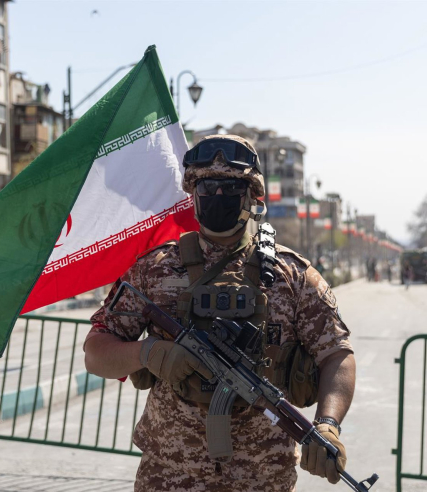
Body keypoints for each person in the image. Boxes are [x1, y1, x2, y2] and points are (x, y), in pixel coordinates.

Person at [83, 135, 356, 491]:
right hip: (169, 474)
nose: (218, 196)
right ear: (193, 196)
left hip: (263, 476)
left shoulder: (291, 275)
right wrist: (148, 353)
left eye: (231, 189)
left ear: (252, 197)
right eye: (207, 188)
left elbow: (337, 354)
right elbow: (95, 353)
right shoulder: (154, 269)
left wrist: (327, 425)